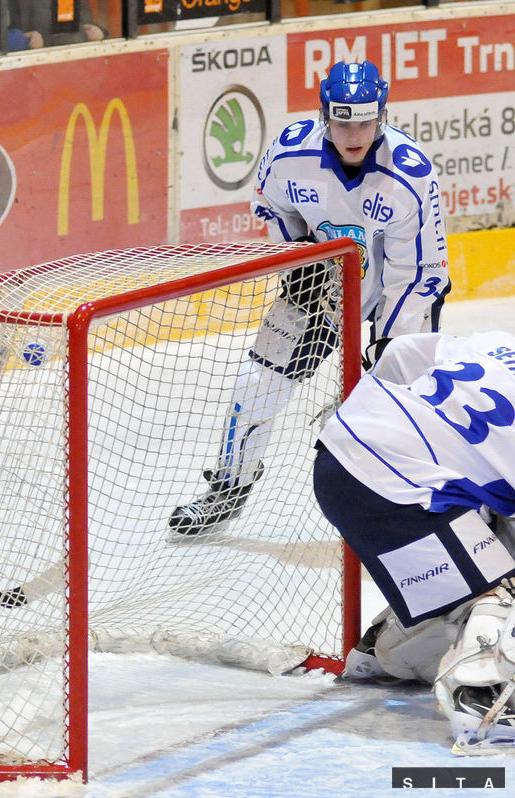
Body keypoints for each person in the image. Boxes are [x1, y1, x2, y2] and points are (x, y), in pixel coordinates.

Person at [169, 60, 450, 535]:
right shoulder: (289, 152)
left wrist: (388, 343)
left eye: (365, 121)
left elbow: (419, 272)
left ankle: (429, 500)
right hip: (320, 290)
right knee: (254, 385)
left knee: (408, 401)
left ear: (382, 114)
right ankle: (228, 487)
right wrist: (298, 257)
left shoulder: (409, 174)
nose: (353, 133)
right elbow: (269, 205)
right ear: (325, 115)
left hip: (399, 296)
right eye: (342, 122)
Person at [312, 330, 515, 751]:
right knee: (505, 586)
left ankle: (388, 646)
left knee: (492, 540)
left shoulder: (497, 341)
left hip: (345, 455)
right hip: (395, 489)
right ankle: (485, 700)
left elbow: (402, 352)